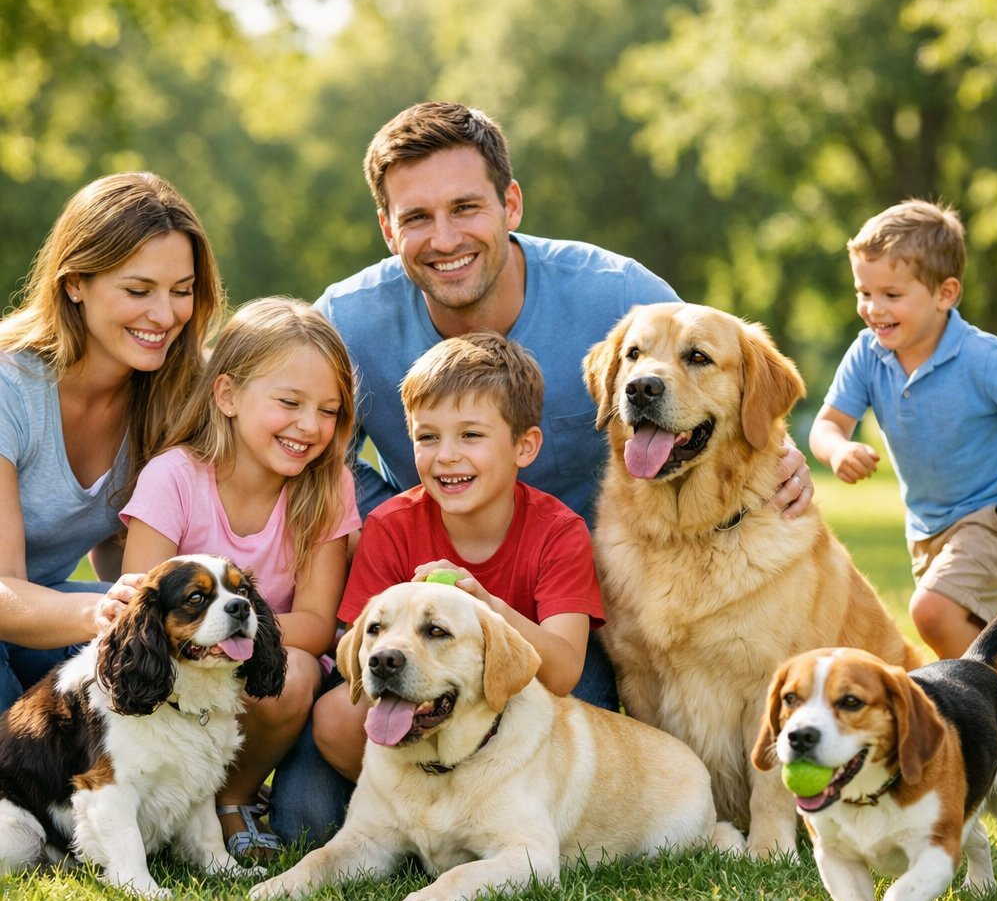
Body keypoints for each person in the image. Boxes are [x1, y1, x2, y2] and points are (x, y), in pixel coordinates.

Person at [270, 100, 812, 844]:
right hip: (421, 603)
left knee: (547, 752)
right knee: (305, 818)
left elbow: (725, 380)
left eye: (467, 207)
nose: (446, 237)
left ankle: (491, 830)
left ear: (511, 204)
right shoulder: (348, 321)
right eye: (417, 217)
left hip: (565, 602)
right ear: (388, 228)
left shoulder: (615, 293)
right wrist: (411, 505)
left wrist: (785, 455)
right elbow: (306, 451)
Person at [120, 297, 360, 858]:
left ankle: (233, 799)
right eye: (290, 402)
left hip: (271, 685)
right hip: (177, 676)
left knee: (298, 677)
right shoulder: (174, 477)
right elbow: (137, 611)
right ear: (226, 394)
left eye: (328, 410)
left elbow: (319, 626)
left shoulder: (326, 488)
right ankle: (164, 801)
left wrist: (234, 643)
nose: (310, 426)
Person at [313, 332, 604, 782]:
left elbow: (564, 673)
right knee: (310, 788)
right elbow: (360, 650)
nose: (446, 456)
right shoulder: (391, 526)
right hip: (417, 694)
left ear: (524, 446)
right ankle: (418, 804)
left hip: (520, 705)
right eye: (427, 437)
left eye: (470, 435)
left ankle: (479, 808)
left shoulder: (559, 532)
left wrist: (485, 605)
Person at [0, 171, 223, 715]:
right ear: (75, 282)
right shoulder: (11, 387)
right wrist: (102, 613)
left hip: (42, 615)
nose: (165, 315)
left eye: (182, 290)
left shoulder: (172, 392)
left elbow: (121, 552)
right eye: (138, 290)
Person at [809, 199, 997, 685]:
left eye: (891, 293)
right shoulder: (868, 354)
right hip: (927, 528)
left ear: (945, 294)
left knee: (932, 612)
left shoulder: (982, 359)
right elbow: (826, 425)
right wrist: (839, 449)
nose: (873, 308)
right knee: (971, 644)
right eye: (863, 291)